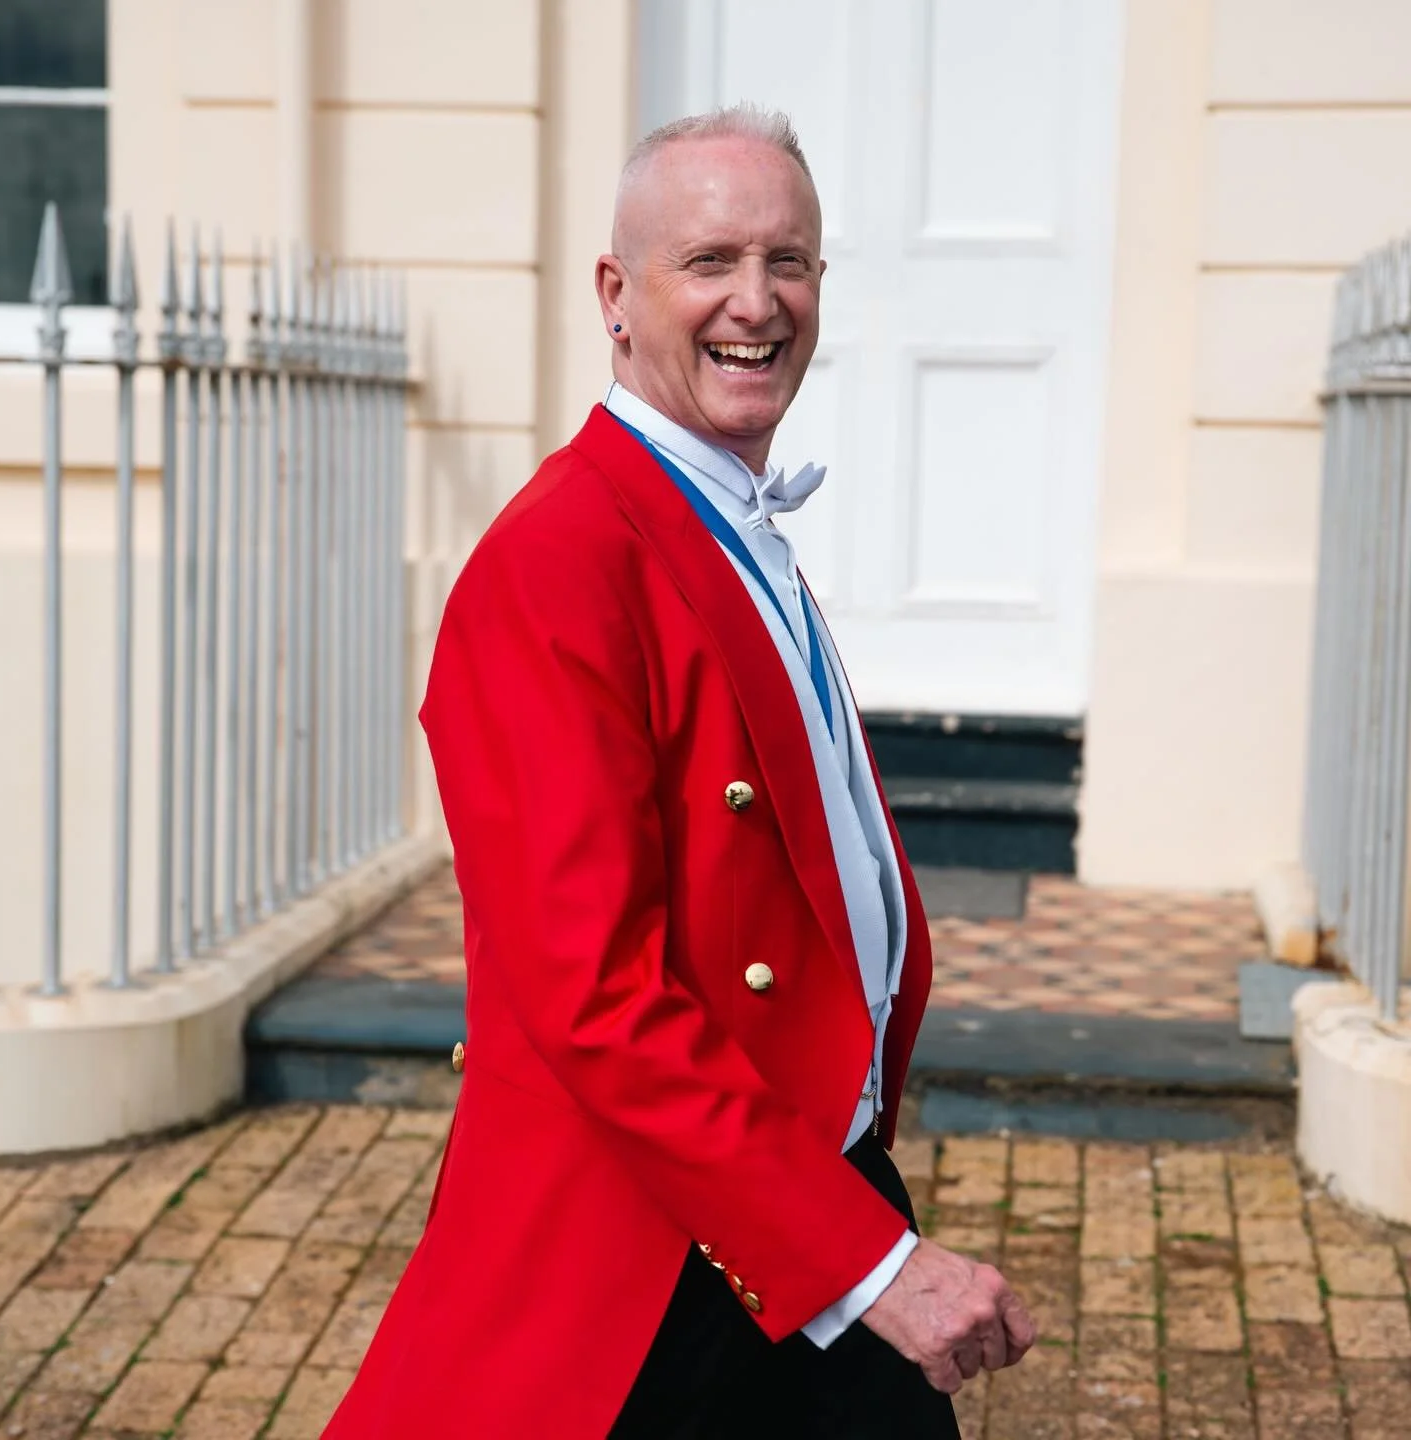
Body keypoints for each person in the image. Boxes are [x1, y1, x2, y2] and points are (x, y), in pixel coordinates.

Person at [324, 104, 1036, 1440]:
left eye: (791, 262)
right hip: (648, 1250)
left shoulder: (714, 514)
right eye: (710, 261)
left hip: (792, 1183)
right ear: (616, 294)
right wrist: (874, 1264)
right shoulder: (559, 560)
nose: (756, 303)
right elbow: (591, 995)